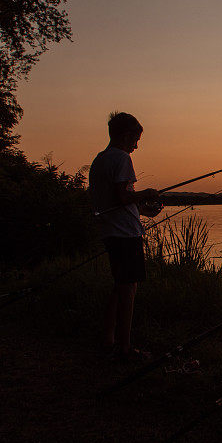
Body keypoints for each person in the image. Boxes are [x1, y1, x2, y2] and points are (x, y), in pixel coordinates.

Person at [88, 111, 162, 360]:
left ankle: (108, 338)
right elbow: (123, 195)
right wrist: (147, 192)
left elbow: (116, 201)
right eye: (135, 139)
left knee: (119, 286)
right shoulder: (121, 158)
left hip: (111, 230)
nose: (136, 146)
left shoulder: (100, 160)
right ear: (125, 135)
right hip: (125, 234)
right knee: (129, 289)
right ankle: (125, 347)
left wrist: (142, 210)